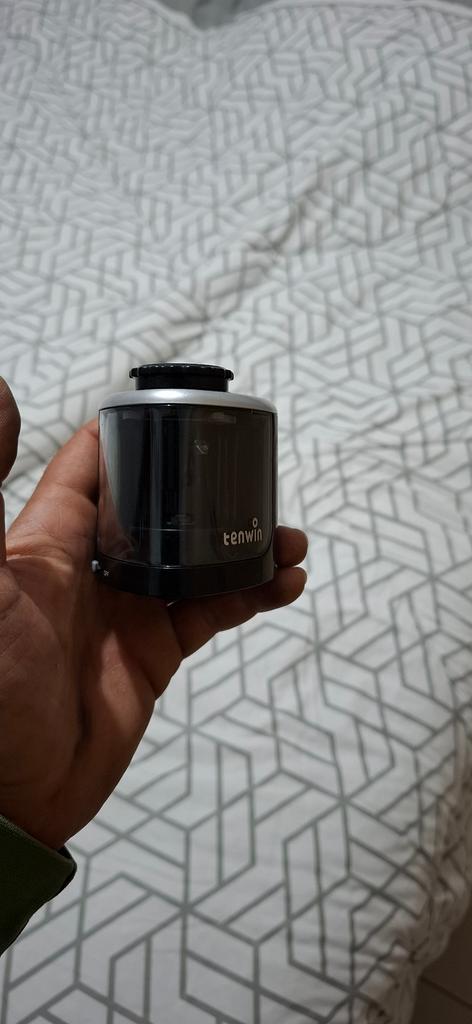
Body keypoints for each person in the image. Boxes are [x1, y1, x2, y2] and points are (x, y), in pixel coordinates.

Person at [0, 377, 308, 954]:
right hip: (174, 566)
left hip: (186, 566)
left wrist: (13, 815)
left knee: (280, 559)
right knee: (280, 561)